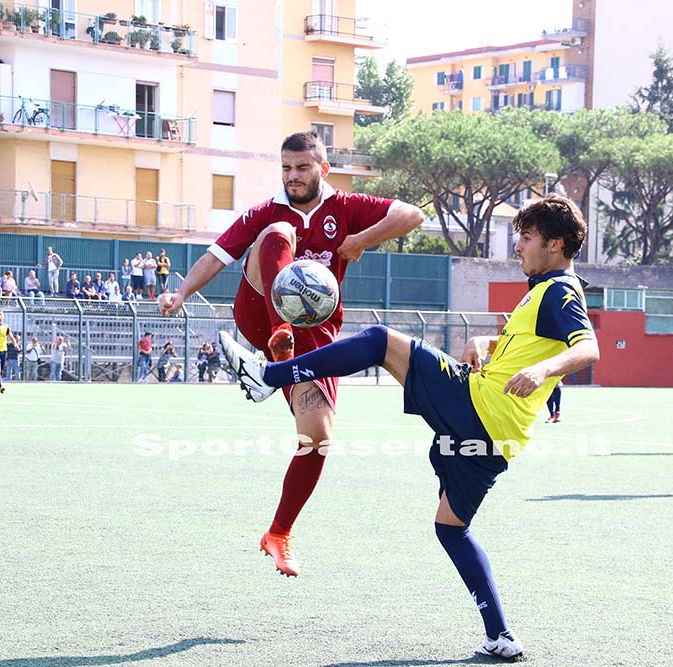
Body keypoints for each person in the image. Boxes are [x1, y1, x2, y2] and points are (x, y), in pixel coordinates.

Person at [220, 195, 598, 659]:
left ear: (555, 244)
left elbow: (587, 348)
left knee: (380, 340)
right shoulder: (544, 292)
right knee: (451, 528)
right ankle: (501, 636)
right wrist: (488, 341)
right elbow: (533, 344)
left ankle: (269, 376)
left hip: (476, 408)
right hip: (497, 439)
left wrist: (544, 372)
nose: (517, 245)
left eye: (526, 237)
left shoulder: (558, 290)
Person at [159, 131, 424, 576]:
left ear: (323, 168)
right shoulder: (269, 210)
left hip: (315, 334)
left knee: (317, 436)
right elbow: (218, 255)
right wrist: (181, 292)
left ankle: (278, 532)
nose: (293, 176)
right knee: (277, 232)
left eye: (302, 168)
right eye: (286, 168)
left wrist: (363, 239)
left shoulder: (346, 207)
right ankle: (277, 347)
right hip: (260, 315)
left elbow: (411, 214)